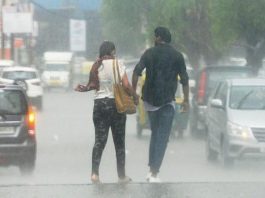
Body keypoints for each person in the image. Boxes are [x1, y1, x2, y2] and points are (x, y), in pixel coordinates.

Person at [75, 41, 138, 184]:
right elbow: (126, 85)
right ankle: (121, 176)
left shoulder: (96, 65)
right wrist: (134, 96)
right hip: (116, 105)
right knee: (119, 142)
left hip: (99, 105)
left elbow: (92, 85)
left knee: (99, 141)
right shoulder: (118, 64)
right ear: (112, 51)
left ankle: (94, 174)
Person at [132, 27, 190, 182]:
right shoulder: (177, 56)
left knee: (155, 134)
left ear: (158, 38)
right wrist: (186, 100)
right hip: (167, 102)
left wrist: (134, 93)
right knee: (162, 137)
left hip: (150, 101)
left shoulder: (149, 53)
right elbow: (184, 79)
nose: (153, 39)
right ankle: (154, 171)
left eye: (154, 36)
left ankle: (151, 169)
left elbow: (136, 72)